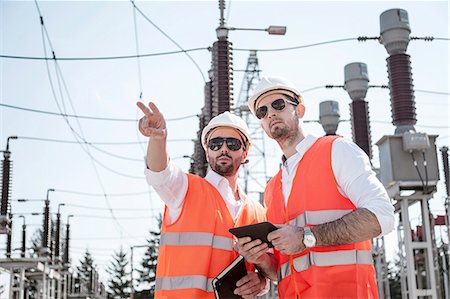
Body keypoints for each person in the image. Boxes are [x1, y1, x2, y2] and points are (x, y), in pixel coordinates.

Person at [236, 77, 395, 299]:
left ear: (299, 110)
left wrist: (307, 236)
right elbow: (281, 269)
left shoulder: (336, 150)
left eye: (278, 105)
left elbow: (383, 216)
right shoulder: (273, 188)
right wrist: (261, 259)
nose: (270, 113)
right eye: (262, 111)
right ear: (261, 124)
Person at [137, 101, 268, 299]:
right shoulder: (184, 189)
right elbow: (159, 173)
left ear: (245, 153)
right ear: (207, 152)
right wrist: (158, 139)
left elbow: (271, 267)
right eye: (215, 144)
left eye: (232, 144)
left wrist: (261, 282)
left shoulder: (258, 212)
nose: (223, 149)